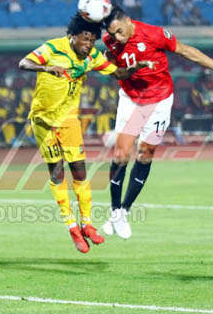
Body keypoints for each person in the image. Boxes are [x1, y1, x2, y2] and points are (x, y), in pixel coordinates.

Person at [99, 4, 213, 239]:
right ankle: (115, 212)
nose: (116, 37)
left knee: (145, 154)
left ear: (128, 21)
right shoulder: (110, 40)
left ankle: (125, 211)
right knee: (121, 155)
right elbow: (112, 62)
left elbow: (185, 51)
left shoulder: (154, 34)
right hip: (131, 99)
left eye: (119, 32)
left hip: (159, 102)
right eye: (112, 34)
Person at [19, 14, 153, 253]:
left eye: (92, 40)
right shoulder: (53, 48)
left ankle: (87, 224)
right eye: (85, 39)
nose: (89, 44)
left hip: (69, 121)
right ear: (73, 36)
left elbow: (118, 73)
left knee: (80, 172)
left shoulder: (92, 57)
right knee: (57, 173)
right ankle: (72, 227)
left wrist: (135, 68)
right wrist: (47, 67)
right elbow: (24, 63)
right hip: (43, 121)